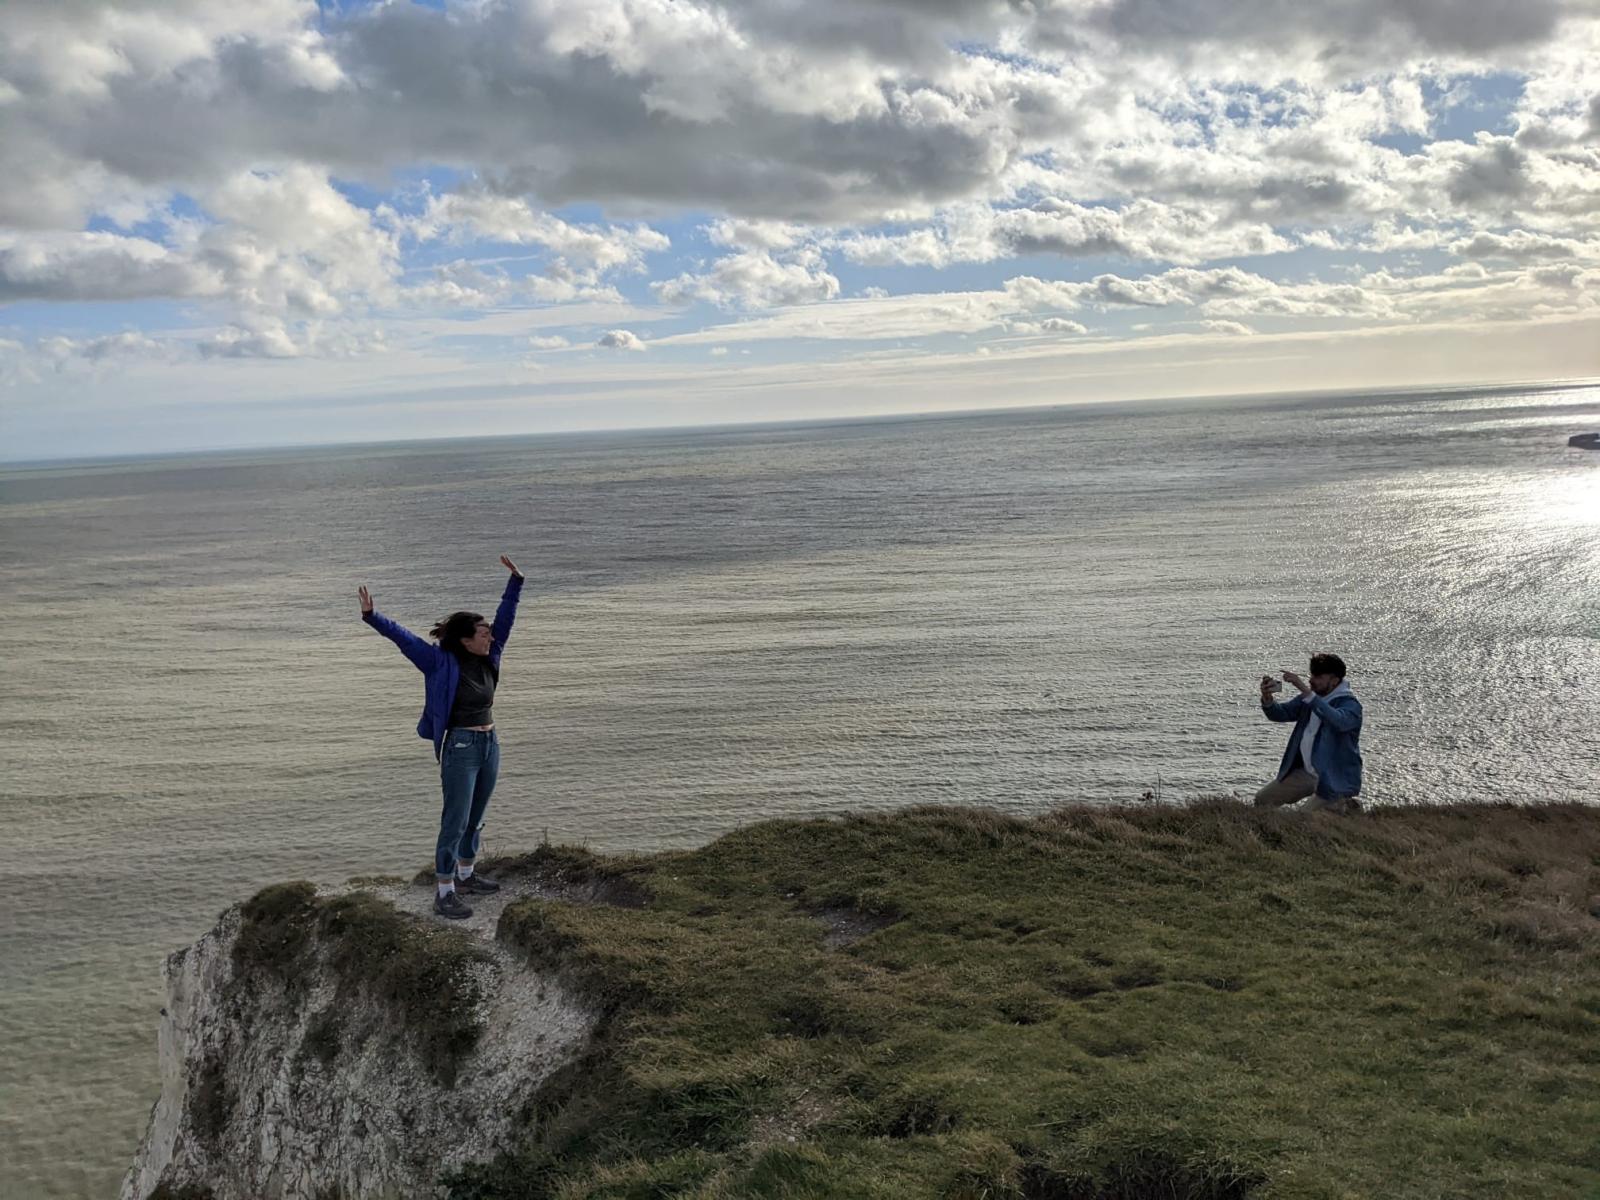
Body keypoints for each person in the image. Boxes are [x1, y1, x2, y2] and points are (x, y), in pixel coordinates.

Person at [357, 556, 524, 918]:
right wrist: (373, 617)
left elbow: (507, 619)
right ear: (466, 640)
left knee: (476, 816)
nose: (491, 635)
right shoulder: (438, 662)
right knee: (455, 819)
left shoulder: (490, 654)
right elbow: (404, 639)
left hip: (489, 744)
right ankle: (444, 890)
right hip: (461, 747)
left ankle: (466, 874)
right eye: (483, 632)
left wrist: (516, 583)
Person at [1255, 652, 1364, 814]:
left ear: (1334, 681)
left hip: (1334, 777)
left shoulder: (1350, 705)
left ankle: (1344, 805)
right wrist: (1267, 698)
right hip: (1307, 772)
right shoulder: (1309, 698)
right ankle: (1339, 808)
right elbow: (1281, 713)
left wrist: (1304, 690)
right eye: (1312, 674)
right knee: (1263, 801)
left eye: (1319, 677)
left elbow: (1338, 721)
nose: (1312, 680)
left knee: (1303, 818)